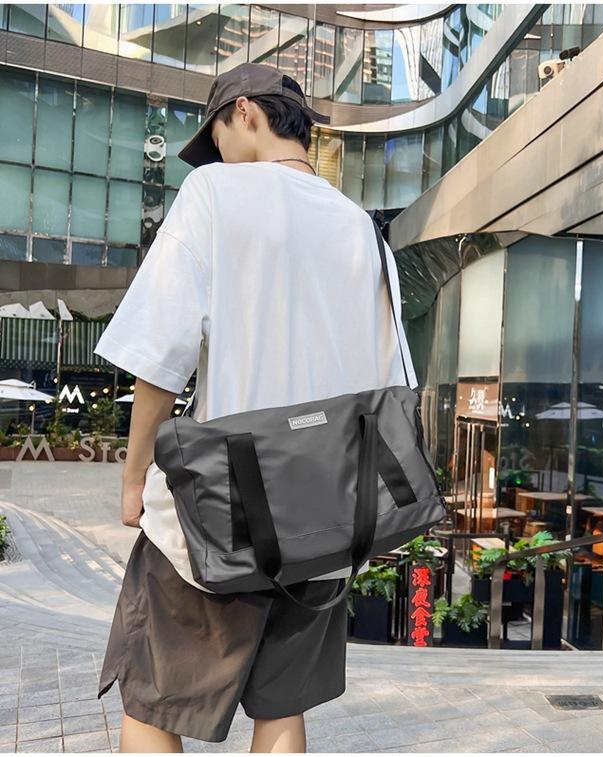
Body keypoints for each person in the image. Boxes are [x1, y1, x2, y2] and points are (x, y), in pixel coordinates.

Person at [92, 62, 418, 753]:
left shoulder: (214, 193)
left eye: (215, 135)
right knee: (282, 710)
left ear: (244, 111)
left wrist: (132, 480)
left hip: (218, 517)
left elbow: (160, 355)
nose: (215, 154)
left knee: (152, 703)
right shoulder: (364, 230)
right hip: (328, 521)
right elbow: (391, 386)